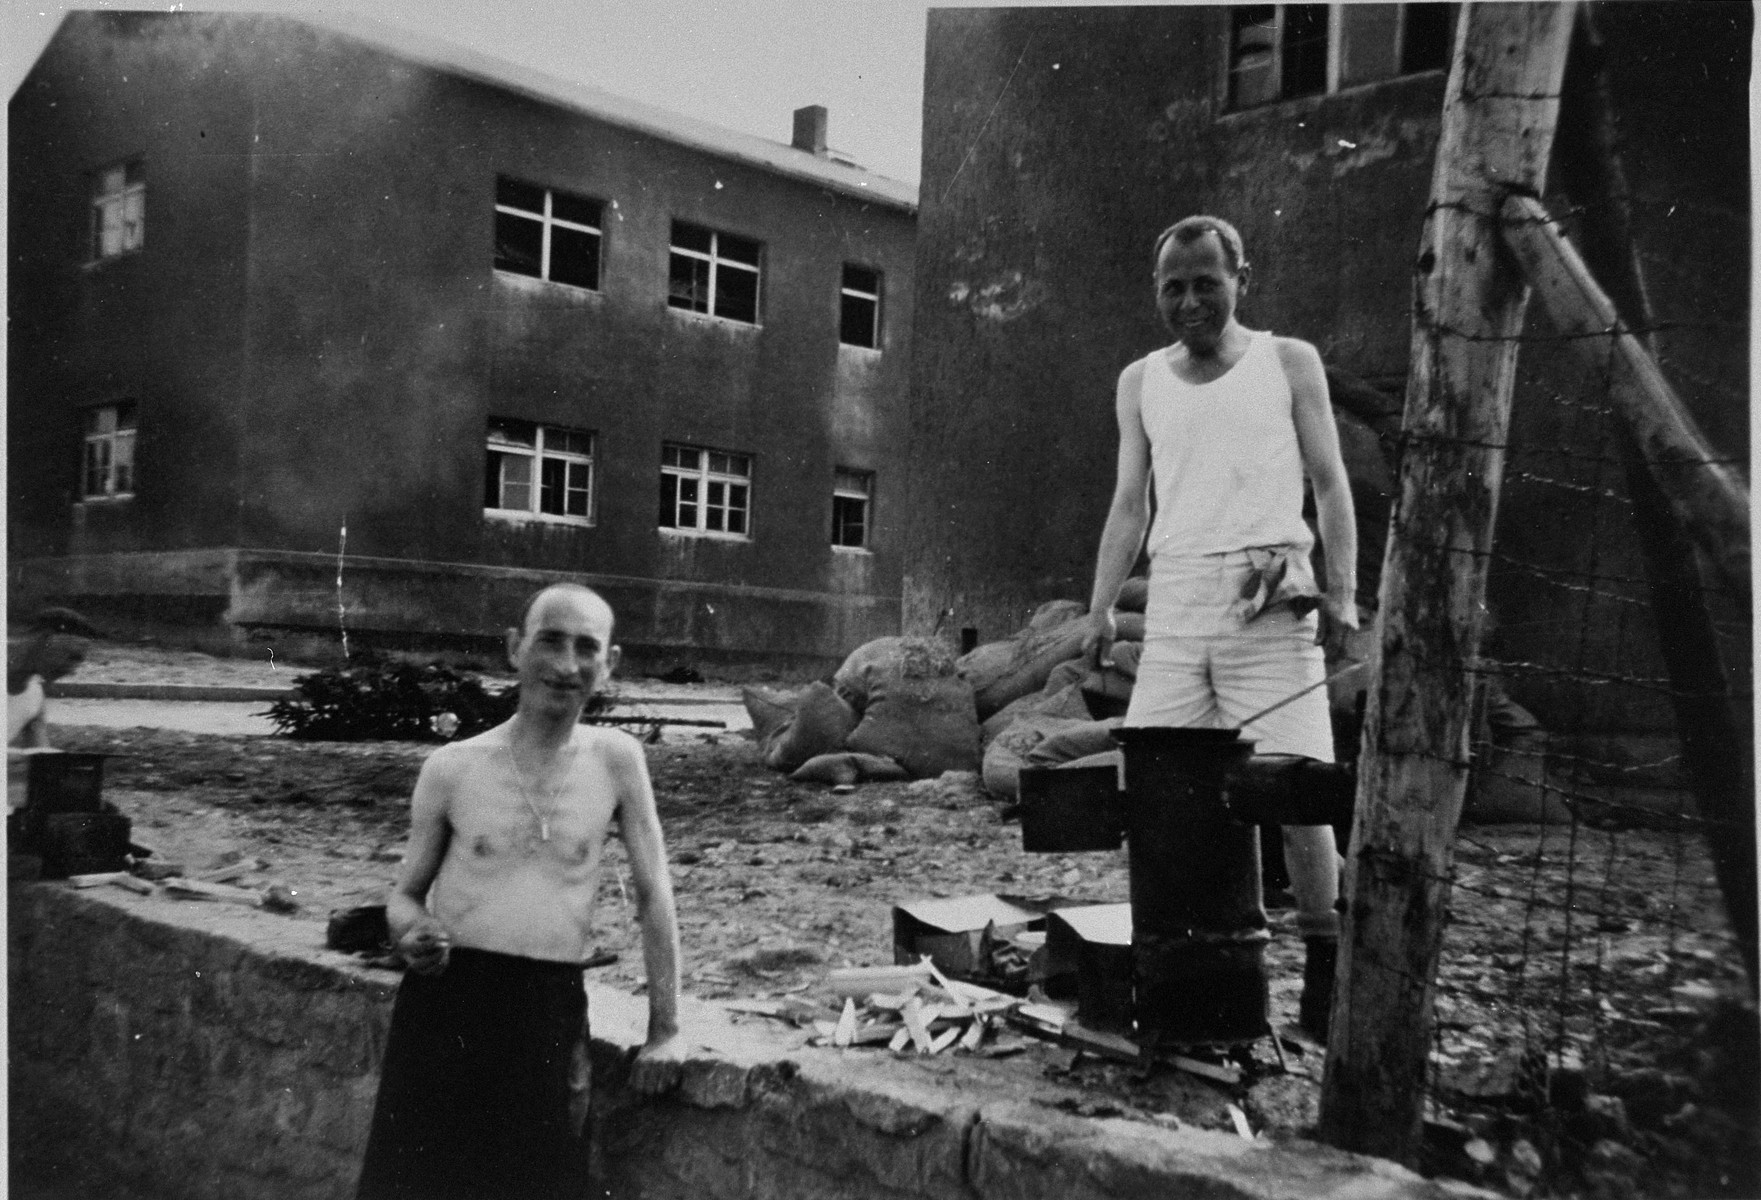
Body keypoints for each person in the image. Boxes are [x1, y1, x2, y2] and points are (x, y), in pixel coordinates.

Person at [1083, 215, 1358, 1039]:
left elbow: (1330, 484)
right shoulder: (1139, 381)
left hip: (1268, 600)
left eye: (1207, 283)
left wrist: (1341, 594)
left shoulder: (1287, 361)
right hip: (1174, 608)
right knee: (1160, 796)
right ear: (1155, 292)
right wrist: (1098, 608)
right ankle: (1190, 975)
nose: (1190, 301)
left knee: (1300, 791)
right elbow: (1131, 503)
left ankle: (1323, 966)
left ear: (1241, 277)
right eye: (1173, 287)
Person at [357, 583, 686, 1200]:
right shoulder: (454, 767)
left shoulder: (617, 761)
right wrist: (409, 931)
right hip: (446, 1006)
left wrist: (664, 1030)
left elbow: (654, 895)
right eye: (550, 642)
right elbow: (403, 896)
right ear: (514, 649)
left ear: (609, 665)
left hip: (546, 1009)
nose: (566, 666)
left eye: (587, 648)